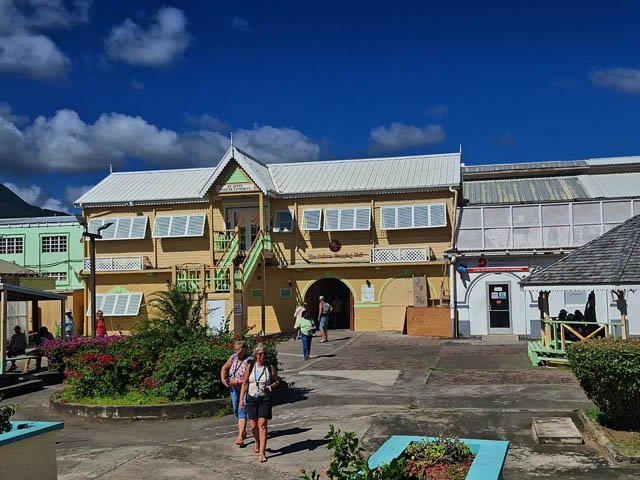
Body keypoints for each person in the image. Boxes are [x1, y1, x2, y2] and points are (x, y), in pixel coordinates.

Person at [239, 343, 280, 463]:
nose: (263, 356)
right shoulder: (251, 366)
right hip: (252, 398)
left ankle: (262, 453)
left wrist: (271, 386)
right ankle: (257, 441)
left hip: (264, 398)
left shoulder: (269, 367)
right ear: (256, 355)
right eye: (260, 354)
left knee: (262, 424)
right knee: (253, 425)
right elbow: (245, 383)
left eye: (264, 354)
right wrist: (241, 400)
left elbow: (277, 380)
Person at [220, 340, 251, 447]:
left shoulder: (249, 360)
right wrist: (223, 379)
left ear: (244, 349)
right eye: (235, 349)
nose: (236, 351)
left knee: (242, 408)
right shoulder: (233, 357)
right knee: (235, 408)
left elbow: (249, 378)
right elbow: (224, 368)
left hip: (244, 388)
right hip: (233, 388)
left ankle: (240, 436)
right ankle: (242, 430)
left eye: (238, 349)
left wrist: (238, 382)